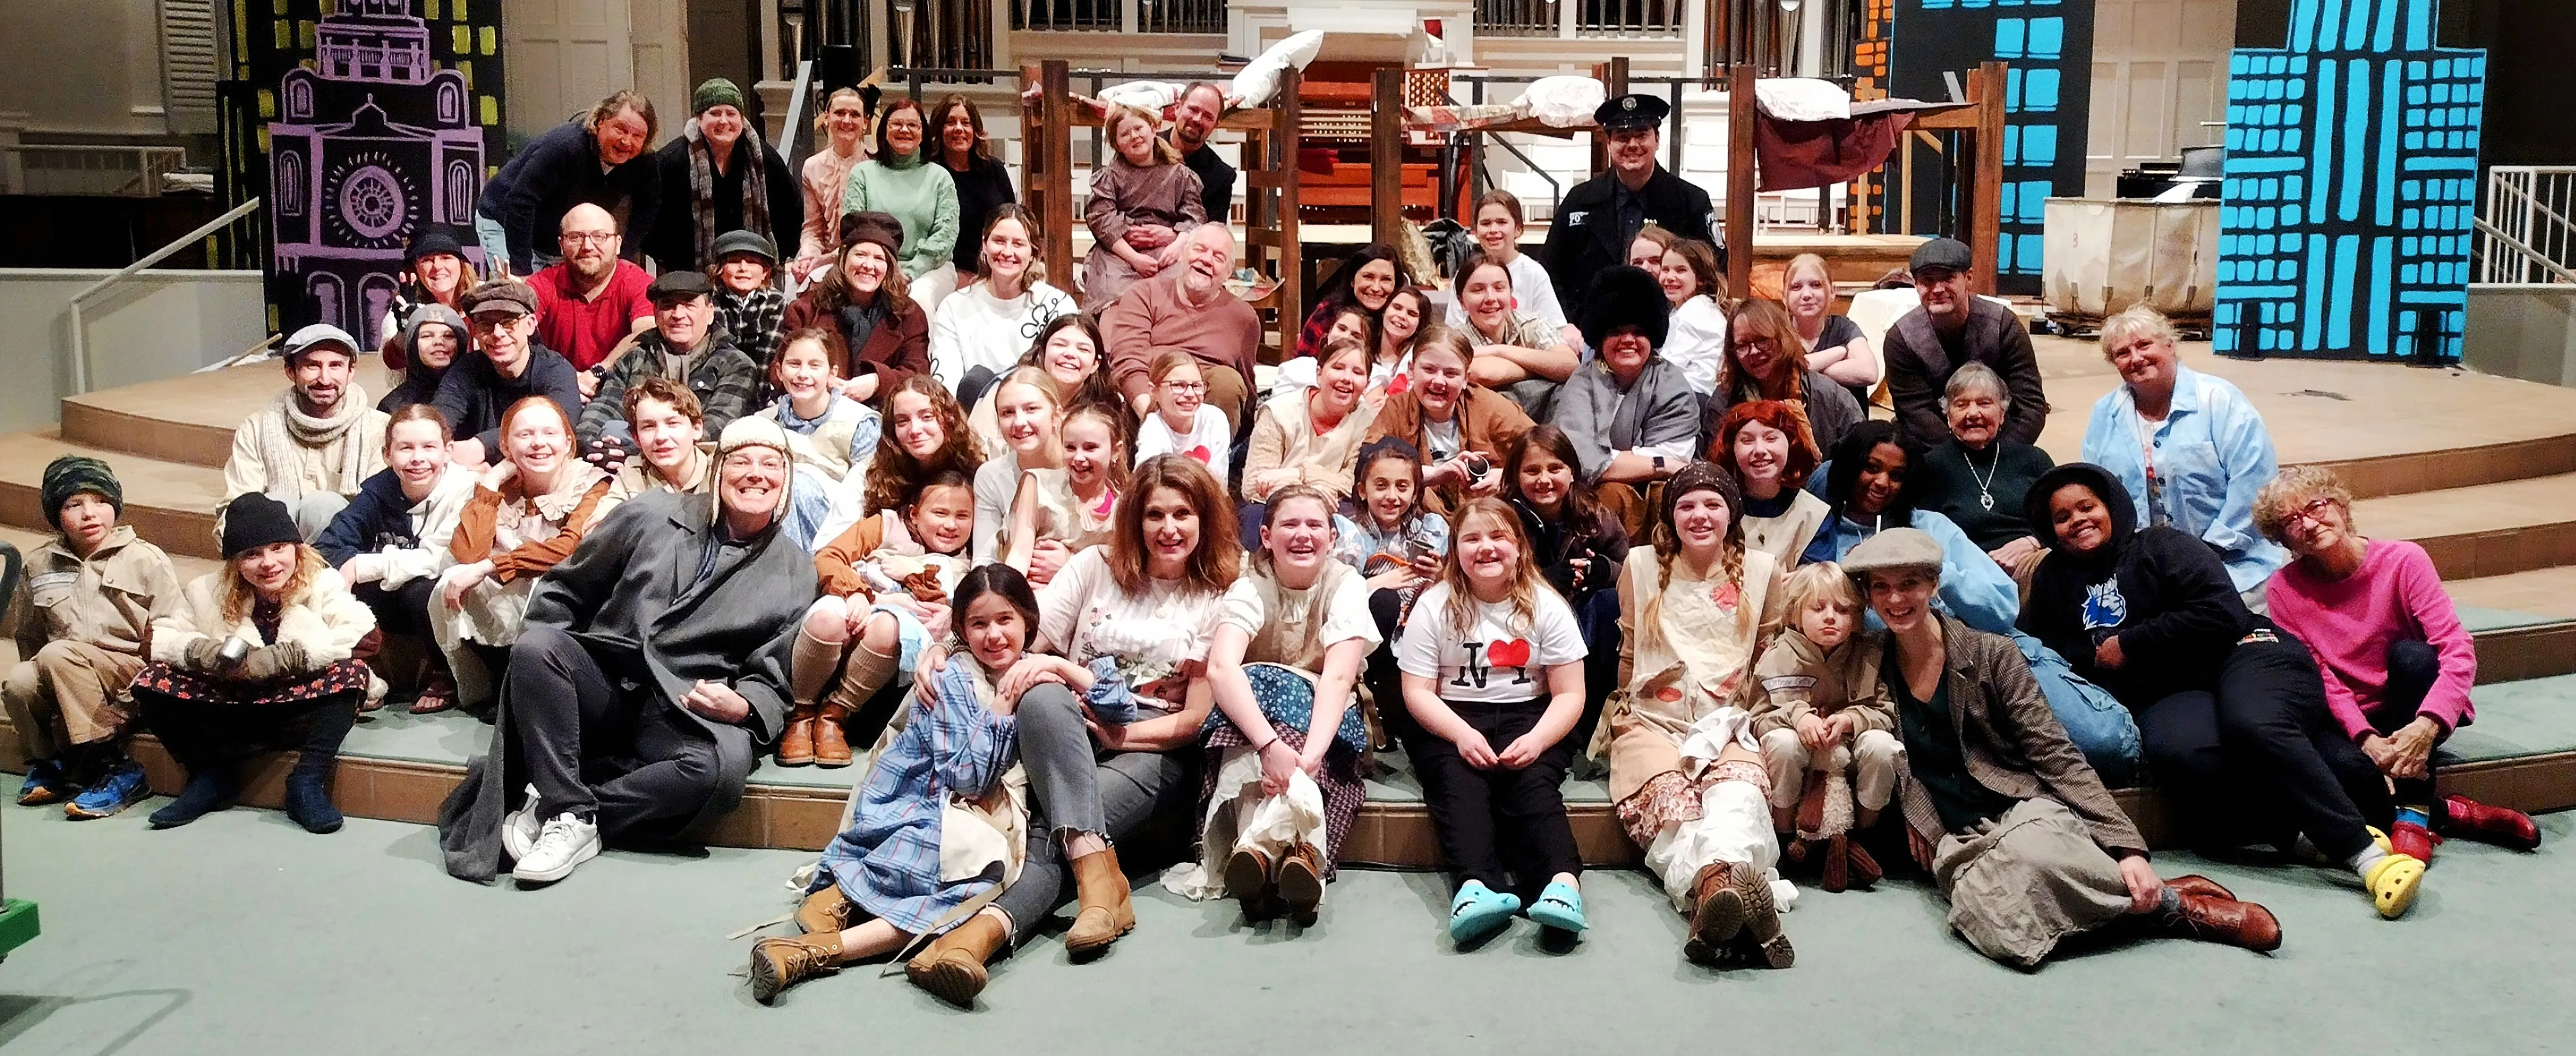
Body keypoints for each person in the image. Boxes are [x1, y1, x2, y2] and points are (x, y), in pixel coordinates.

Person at [1846, 527, 2282, 967]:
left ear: (1934, 584)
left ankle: (2178, 908)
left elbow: (2055, 752)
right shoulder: (1868, 659)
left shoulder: (1993, 652)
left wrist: (2127, 848)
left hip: (2017, 806)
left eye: (1909, 583)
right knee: (1993, 924)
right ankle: (2143, 897)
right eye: (1881, 587)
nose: (1895, 599)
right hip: (1955, 832)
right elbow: (1878, 743)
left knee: (2034, 857)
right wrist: (1912, 803)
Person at [2022, 463, 2424, 919]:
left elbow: (2221, 611)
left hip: (2244, 650)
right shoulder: (2052, 578)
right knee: (2178, 750)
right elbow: (2051, 647)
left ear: (2110, 505)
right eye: (2062, 517)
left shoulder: (2162, 545)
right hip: (2170, 689)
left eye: (2087, 507)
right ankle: (2292, 832)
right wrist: (2095, 655)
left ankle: (2365, 856)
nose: (2078, 520)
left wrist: (2130, 644)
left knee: (2253, 722)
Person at [437, 419, 816, 885]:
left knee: (719, 770)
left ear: (786, 478)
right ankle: (568, 808)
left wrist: (743, 704)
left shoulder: (796, 570)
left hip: (681, 703)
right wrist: (541, 692)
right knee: (538, 647)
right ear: (718, 468)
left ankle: (566, 811)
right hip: (606, 681)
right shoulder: (650, 513)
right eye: (741, 461)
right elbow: (564, 592)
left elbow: (773, 671)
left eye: (770, 464)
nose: (756, 473)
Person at [916, 454, 1237, 958]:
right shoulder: (1095, 567)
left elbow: (1194, 720)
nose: (1168, 528)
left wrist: (1120, 735)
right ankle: (1103, 892)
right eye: (1154, 515)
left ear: (1205, 519)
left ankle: (978, 940)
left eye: (1182, 514)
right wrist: (945, 647)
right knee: (1043, 692)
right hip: (1071, 729)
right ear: (1135, 520)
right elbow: (1022, 634)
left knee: (1052, 828)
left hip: (1154, 746)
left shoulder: (1221, 595)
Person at [749, 564, 1052, 1007]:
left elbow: (1110, 706)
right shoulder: (952, 676)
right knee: (956, 871)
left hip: (971, 808)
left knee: (972, 880)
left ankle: (818, 947)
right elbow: (966, 778)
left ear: (1028, 618)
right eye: (978, 624)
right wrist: (1003, 707)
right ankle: (841, 901)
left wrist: (1064, 668)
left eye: (1005, 619)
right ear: (962, 629)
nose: (993, 635)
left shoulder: (1032, 669)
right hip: (923, 795)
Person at [1824, 421, 2141, 780]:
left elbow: (2003, 608)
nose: (1883, 483)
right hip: (1900, 676)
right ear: (1851, 465)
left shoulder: (1930, 526)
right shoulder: (1824, 534)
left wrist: (1933, 568)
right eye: (1871, 467)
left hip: (1992, 651)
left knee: (2108, 744)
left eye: (1897, 475)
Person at [2257, 466, 2541, 854]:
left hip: (2413, 701)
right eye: (2291, 521)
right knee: (2343, 772)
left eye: (2315, 506)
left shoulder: (2404, 560)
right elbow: (2321, 674)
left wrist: (2426, 725)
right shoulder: (2283, 589)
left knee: (2413, 657)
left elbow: (2457, 648)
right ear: (2283, 539)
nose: (2307, 523)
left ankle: (2414, 808)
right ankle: (2451, 812)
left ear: (2340, 506)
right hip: (2350, 717)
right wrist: (2367, 738)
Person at [1596, 464, 1792, 966]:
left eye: (1712, 505)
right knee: (1672, 812)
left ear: (1731, 514)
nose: (1699, 515)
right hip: (1651, 719)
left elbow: (1769, 653)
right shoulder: (1640, 565)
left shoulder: (1763, 570)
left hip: (1729, 719)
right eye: (1686, 505)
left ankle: (1711, 894)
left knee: (1740, 797)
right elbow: (1628, 652)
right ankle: (1731, 890)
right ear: (1671, 516)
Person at [1165, 484, 1377, 925]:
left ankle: (1258, 853)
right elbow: (1222, 667)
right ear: (1266, 536)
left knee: (1290, 702)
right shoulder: (1250, 585)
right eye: (1290, 524)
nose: (1303, 534)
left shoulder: (1346, 586)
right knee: (1255, 684)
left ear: (1332, 537)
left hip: (1324, 723)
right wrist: (1269, 745)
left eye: (1314, 525)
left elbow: (1338, 678)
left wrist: (1308, 758)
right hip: (1255, 727)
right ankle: (1294, 859)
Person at [1400, 496, 1591, 944]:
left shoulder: (1547, 605)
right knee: (1458, 788)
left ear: (1519, 547)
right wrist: (1462, 734)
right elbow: (1417, 691)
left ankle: (1562, 886)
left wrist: (1538, 739)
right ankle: (1476, 888)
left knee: (1534, 788)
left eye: (1498, 536)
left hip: (1532, 714)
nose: (1485, 547)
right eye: (1471, 538)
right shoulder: (1433, 605)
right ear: (1455, 550)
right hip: (1451, 716)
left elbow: (1571, 693)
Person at [135, 493, 379, 833]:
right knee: (151, 681)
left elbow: (364, 635)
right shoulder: (206, 590)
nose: (269, 563)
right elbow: (160, 640)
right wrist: (203, 652)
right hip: (232, 707)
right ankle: (209, 776)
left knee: (351, 674)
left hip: (298, 709)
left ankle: (307, 782)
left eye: (279, 548)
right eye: (252, 554)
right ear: (235, 562)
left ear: (296, 548)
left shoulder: (323, 582)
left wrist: (286, 657)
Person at [5, 457, 179, 820]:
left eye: (101, 501)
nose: (90, 514)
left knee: (57, 654)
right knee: (19, 680)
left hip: (130, 677)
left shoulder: (146, 559)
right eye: (74, 504)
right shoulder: (39, 564)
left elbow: (171, 635)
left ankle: (115, 766)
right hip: (63, 669)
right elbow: (29, 636)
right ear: (56, 514)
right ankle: (49, 764)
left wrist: (137, 697)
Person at [2081, 305, 2287, 602]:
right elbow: (2096, 491)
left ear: (2170, 345)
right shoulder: (2104, 414)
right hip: (2142, 570)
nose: (2136, 358)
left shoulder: (2219, 400)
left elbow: (2255, 483)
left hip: (2232, 564)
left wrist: (2204, 555)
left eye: (2144, 345)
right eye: (2123, 353)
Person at [434, 397, 618, 712]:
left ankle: (534, 691)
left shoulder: (590, 483)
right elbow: (468, 554)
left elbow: (571, 549)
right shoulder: (501, 487)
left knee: (535, 587)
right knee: (450, 579)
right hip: (516, 590)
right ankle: (486, 688)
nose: (538, 443)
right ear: (506, 446)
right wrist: (491, 482)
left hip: (573, 595)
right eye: (525, 434)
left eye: (550, 433)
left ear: (568, 442)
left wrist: (491, 565)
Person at [788, 470, 979, 767]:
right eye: (940, 513)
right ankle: (800, 716)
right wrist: (860, 594)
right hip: (854, 600)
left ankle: (834, 716)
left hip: (897, 635)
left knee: (888, 628)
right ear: (915, 514)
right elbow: (829, 556)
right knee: (826, 621)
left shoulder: (968, 561)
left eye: (963, 516)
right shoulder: (886, 525)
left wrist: (912, 575)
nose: (951, 525)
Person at [1746, 562, 1897, 892]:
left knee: (1884, 747)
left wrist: (1851, 720)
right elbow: (1756, 718)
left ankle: (1862, 836)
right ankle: (1785, 837)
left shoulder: (1867, 655)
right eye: (1818, 608)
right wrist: (1798, 717)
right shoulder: (1777, 655)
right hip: (1800, 754)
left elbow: (1886, 712)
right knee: (1783, 744)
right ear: (1796, 613)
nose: (1831, 617)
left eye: (1842, 610)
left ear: (1856, 616)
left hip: (1846, 753)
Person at [316, 405, 474, 715]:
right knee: (335, 581)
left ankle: (446, 673)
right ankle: (359, 672)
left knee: (423, 588)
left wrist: (365, 565)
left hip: (451, 601)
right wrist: (353, 570)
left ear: (448, 451)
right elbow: (329, 545)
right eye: (406, 448)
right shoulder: (380, 489)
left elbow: (445, 557)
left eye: (429, 447)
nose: (418, 458)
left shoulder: (467, 490)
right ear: (388, 455)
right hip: (396, 602)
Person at [1553, 265, 1700, 540]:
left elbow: (1678, 457)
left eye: (1639, 331)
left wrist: (1613, 461)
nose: (1628, 340)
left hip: (1660, 494)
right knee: (1610, 495)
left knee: (1664, 493)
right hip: (1598, 497)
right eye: (1616, 331)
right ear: (1600, 338)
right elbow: (1579, 460)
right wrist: (1661, 463)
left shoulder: (1673, 384)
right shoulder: (1582, 382)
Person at [1541, 93, 1715, 323]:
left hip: (1671, 329)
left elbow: (1713, 270)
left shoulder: (1691, 202)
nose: (1632, 145)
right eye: (1622, 137)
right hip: (1588, 330)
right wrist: (1569, 325)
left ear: (1657, 139)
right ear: (1609, 144)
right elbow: (1551, 272)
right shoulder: (1579, 201)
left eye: (1641, 135)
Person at [1503, 425, 1629, 731]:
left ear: (1572, 472)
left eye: (1555, 468)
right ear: (1517, 476)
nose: (1544, 480)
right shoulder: (1502, 517)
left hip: (1584, 618)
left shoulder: (1595, 514)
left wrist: (1604, 570)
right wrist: (1541, 580)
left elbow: (1630, 569)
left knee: (1610, 601)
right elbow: (1483, 578)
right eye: (1532, 471)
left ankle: (1593, 715)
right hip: (1523, 614)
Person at [222, 324, 389, 541]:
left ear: (351, 372)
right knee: (277, 505)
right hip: (274, 553)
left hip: (347, 549)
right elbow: (237, 509)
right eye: (312, 366)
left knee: (322, 506)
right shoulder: (256, 428)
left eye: (336, 366)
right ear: (291, 371)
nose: (325, 379)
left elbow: (382, 510)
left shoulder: (379, 428)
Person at [1881, 237, 2047, 448]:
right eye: (1927, 281)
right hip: (1932, 449)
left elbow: (2030, 405)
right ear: (1916, 285)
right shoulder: (1901, 339)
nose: (1938, 289)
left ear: (1969, 278)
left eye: (1948, 279)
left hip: (2001, 443)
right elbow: (1915, 411)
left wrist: (2003, 454)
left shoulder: (2004, 326)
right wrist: (1958, 458)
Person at [477, 89, 660, 275]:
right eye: (621, 129)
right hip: (505, 221)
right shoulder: (565, 146)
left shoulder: (644, 161)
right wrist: (522, 272)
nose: (627, 141)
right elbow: (521, 201)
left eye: (638, 136)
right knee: (521, 290)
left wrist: (624, 255)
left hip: (559, 239)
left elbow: (648, 206)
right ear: (601, 121)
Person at [1102, 224, 1263, 433]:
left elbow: (1248, 388)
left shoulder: (1244, 317)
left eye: (1218, 257)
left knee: (1229, 382)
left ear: (1228, 274)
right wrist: (1153, 421)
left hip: (1208, 412)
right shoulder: (1143, 294)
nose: (1206, 260)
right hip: (1149, 402)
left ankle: (1206, 454)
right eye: (1200, 249)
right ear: (1182, 255)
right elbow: (1128, 360)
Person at [576, 271, 761, 453]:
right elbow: (605, 408)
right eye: (668, 306)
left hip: (701, 463)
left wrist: (641, 448)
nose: (678, 314)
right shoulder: (634, 358)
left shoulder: (737, 365)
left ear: (710, 313)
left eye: (689, 305)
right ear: (656, 314)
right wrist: (591, 446)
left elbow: (714, 428)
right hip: (624, 458)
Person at [1915, 361, 2056, 591]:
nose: (1973, 413)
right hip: (1963, 576)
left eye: (1984, 403)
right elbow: (1922, 537)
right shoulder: (1930, 467)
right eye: (1961, 405)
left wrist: (2032, 542)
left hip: (2033, 562)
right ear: (1948, 416)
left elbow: (2062, 520)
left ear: (2002, 414)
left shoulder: (2033, 460)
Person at [1362, 330, 1532, 515]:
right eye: (1429, 370)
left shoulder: (1487, 404)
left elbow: (1541, 448)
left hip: (1487, 514)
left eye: (1451, 374)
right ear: (1411, 371)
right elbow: (1368, 462)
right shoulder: (1396, 409)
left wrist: (1507, 476)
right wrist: (1434, 475)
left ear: (1466, 379)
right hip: (1420, 518)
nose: (1438, 381)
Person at [647, 78, 801, 277]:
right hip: (688, 275)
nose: (724, 121)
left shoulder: (764, 158)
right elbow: (652, 220)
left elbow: (791, 209)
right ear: (699, 118)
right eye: (715, 113)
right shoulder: (672, 160)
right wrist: (670, 260)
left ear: (741, 119)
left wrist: (774, 258)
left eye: (731, 113)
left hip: (751, 273)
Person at [779, 212, 932, 407]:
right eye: (860, 255)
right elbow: (779, 370)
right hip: (816, 410)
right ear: (843, 259)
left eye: (879, 258)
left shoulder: (910, 315)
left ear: (890, 268)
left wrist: (878, 382)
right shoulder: (805, 310)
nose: (869, 265)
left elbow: (919, 374)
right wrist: (821, 381)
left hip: (884, 413)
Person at [930, 205, 1077, 398]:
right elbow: (946, 386)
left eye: (1018, 244)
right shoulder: (953, 307)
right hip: (973, 411)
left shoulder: (1058, 305)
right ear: (985, 245)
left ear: (1033, 252)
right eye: (999, 241)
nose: (1007, 252)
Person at [435, 280, 584, 468]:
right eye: (486, 325)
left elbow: (559, 424)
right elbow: (438, 420)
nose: (498, 334)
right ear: (474, 332)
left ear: (530, 325)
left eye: (509, 323)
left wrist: (482, 446)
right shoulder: (466, 370)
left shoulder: (555, 370)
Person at [1081, 103, 1206, 314]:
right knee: (1114, 292)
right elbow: (1102, 220)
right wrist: (1135, 259)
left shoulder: (1180, 175)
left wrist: (1177, 245)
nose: (1134, 136)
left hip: (1169, 249)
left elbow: (1195, 216)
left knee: (1179, 285)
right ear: (1117, 145)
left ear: (1153, 129)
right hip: (1120, 254)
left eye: (1139, 128)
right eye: (1125, 134)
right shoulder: (1109, 178)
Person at [1708, 298, 1863, 461]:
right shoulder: (1723, 402)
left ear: (1784, 338)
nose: (1753, 351)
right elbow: (1714, 464)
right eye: (1742, 345)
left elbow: (1861, 460)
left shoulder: (1830, 396)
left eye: (1763, 340)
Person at [840, 97, 960, 301]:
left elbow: (946, 235)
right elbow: (855, 231)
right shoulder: (862, 174)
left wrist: (911, 271)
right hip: (873, 265)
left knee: (916, 298)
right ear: (884, 130)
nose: (904, 130)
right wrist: (880, 268)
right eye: (897, 124)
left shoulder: (940, 177)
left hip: (931, 269)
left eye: (913, 125)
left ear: (923, 133)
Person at [1243, 338, 1375, 522]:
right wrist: (1314, 492)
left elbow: (1352, 483)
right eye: (1338, 368)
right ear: (1319, 374)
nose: (1347, 378)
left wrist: (1299, 473)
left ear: (1367, 383)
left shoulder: (1368, 420)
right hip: (1274, 507)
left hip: (1333, 508)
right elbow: (1253, 486)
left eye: (1357, 372)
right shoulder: (1278, 412)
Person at [527, 203, 656, 380]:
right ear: (561, 245)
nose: (587, 246)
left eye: (599, 236)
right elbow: (516, 327)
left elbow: (646, 333)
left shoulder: (637, 282)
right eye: (575, 237)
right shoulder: (545, 283)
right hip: (557, 383)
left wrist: (599, 372)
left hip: (620, 382)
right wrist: (509, 297)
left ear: (618, 244)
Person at [1454, 248, 1577, 417]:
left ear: (1511, 293)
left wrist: (1499, 351)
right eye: (1478, 290)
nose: (1490, 298)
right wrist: (1545, 369)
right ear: (1462, 301)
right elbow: (1482, 373)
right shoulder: (1456, 339)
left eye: (1499, 288)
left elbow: (1570, 365)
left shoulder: (1532, 323)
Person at [1710, 399, 1833, 567]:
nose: (1760, 450)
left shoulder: (1814, 514)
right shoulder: (1712, 508)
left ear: (1791, 444)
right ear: (1732, 449)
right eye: (1747, 441)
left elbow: (1816, 579)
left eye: (1771, 438)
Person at [966, 314, 1109, 456]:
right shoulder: (1006, 392)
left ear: (1095, 364)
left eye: (1083, 349)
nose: (1070, 354)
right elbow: (977, 453)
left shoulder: (1108, 407)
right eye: (1060, 345)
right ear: (1043, 352)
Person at [970, 367, 1069, 565]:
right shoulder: (990, 476)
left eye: (1031, 409)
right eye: (1008, 413)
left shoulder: (1084, 464)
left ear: (1056, 415)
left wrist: (1070, 563)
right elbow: (984, 560)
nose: (1019, 422)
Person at [1450, 190, 1568, 344]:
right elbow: (1454, 333)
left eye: (1501, 222)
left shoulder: (1534, 274)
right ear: (1476, 231)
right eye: (1485, 224)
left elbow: (1554, 330)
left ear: (1518, 229)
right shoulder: (1465, 276)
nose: (1493, 230)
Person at [862, 375, 984, 519]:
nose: (915, 430)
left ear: (950, 419)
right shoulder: (869, 476)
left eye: (927, 417)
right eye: (903, 421)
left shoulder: (979, 473)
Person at [932, 94, 1018, 290]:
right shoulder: (930, 172)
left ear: (975, 130)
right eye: (950, 122)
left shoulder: (994, 169)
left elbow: (1012, 219)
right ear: (939, 129)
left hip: (994, 268)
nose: (959, 129)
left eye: (966, 123)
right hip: (946, 272)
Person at [790, 86, 875, 283]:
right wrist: (809, 256)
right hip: (824, 256)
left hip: (864, 255)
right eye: (840, 113)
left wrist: (824, 261)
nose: (847, 120)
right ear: (827, 118)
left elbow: (870, 231)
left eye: (855, 115)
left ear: (865, 122)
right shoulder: (812, 167)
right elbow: (813, 228)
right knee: (796, 283)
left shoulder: (876, 163)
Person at [378, 227, 480, 366]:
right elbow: (394, 361)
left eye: (446, 258)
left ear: (462, 264)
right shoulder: (404, 308)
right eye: (427, 260)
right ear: (415, 269)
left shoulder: (484, 297)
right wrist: (405, 332)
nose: (437, 266)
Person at [1132, 352, 1234, 490]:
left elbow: (1219, 486)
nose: (1190, 394)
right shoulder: (1153, 428)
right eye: (1178, 385)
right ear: (1154, 391)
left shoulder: (1215, 419)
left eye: (1196, 386)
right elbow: (1148, 482)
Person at [1782, 253, 1877, 399]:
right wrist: (1839, 352)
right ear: (1784, 296)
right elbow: (1779, 373)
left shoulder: (1844, 328)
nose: (1806, 294)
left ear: (1833, 292)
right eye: (1796, 287)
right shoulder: (1779, 332)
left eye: (1816, 285)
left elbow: (1869, 373)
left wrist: (1803, 370)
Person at [1294, 245, 1410, 360]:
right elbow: (1301, 364)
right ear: (1352, 280)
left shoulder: (1400, 320)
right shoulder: (1327, 313)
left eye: (1386, 280)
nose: (1376, 288)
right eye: (1368, 277)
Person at [609, 378, 714, 499]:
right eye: (649, 427)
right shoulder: (631, 475)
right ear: (636, 438)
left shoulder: (722, 470)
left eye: (672, 423)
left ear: (696, 429)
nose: (661, 436)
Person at [1655, 238, 1729, 395]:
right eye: (1665, 270)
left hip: (1694, 394)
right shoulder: (1689, 308)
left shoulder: (1696, 311)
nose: (1670, 277)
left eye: (1681, 270)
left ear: (1700, 279)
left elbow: (1669, 365)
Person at [708, 230, 787, 367]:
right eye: (734, 261)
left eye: (752, 262)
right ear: (720, 270)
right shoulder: (709, 302)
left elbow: (768, 356)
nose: (743, 268)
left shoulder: (776, 302)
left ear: (765, 272)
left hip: (761, 377)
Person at [1167, 82, 1236, 225]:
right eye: (1193, 110)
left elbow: (1213, 232)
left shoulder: (1221, 177)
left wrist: (1172, 235)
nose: (1198, 119)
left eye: (1208, 117)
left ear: (1216, 125)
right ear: (1178, 107)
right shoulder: (1144, 150)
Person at [379, 303, 466, 413]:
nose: (439, 342)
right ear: (413, 345)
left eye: (448, 336)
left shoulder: (480, 395)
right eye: (427, 336)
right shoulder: (393, 407)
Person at [1370, 288, 1434, 396]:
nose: (1402, 316)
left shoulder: (1419, 360)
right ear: (1385, 311)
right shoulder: (1363, 347)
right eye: (1397, 308)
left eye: (1412, 314)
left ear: (1420, 325)